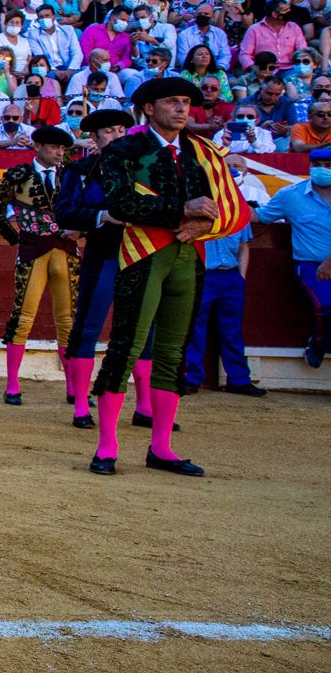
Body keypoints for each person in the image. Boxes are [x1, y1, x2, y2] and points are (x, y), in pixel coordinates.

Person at [87, 77, 247, 478]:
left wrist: (200, 228)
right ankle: (107, 446)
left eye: (186, 102)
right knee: (127, 346)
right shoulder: (124, 149)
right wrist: (183, 211)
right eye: (172, 102)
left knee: (174, 351)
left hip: (188, 254)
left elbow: (230, 207)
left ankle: (161, 447)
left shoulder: (200, 152)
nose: (182, 108)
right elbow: (121, 202)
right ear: (149, 108)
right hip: (142, 253)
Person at [56, 108, 151, 426]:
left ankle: (145, 407)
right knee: (88, 327)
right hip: (103, 253)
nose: (118, 136)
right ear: (94, 138)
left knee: (143, 332)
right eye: (109, 131)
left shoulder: (144, 169)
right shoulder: (80, 170)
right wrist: (100, 217)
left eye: (122, 130)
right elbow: (65, 212)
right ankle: (81, 405)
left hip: (139, 255)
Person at [0, 126, 77, 409]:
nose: (60, 152)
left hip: (66, 251)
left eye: (63, 148)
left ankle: (74, 387)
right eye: (54, 147)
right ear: (37, 146)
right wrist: (16, 239)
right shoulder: (17, 176)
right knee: (23, 316)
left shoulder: (70, 174)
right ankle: (12, 384)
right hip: (32, 251)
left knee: (68, 320)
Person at [252, 149, 331, 367]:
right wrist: (231, 211)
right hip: (311, 265)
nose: (322, 170)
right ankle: (319, 342)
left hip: (327, 264)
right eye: (317, 164)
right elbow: (262, 216)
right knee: (326, 306)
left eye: (328, 165)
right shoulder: (291, 195)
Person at [182, 222, 265, 397]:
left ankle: (239, 380)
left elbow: (244, 247)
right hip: (202, 274)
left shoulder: (238, 212)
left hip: (230, 275)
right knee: (195, 328)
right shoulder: (199, 208)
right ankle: (190, 378)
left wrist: (240, 277)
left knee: (232, 330)